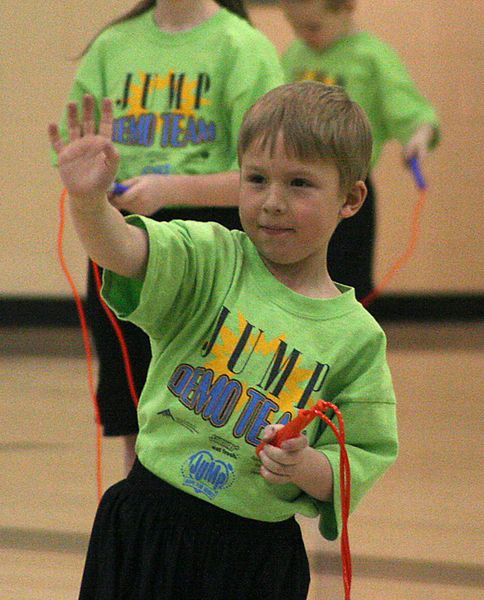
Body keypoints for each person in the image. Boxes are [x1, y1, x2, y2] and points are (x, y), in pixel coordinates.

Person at [48, 81, 398, 600]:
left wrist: (307, 467)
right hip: (148, 522)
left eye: (299, 183)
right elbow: (121, 249)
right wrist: (88, 202)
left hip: (253, 557)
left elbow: (360, 458)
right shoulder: (209, 256)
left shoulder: (358, 338)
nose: (272, 202)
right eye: (256, 179)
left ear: (350, 198)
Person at [53, 0, 284, 472]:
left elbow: (266, 176)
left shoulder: (243, 47)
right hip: (119, 230)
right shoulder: (113, 45)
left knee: (210, 405)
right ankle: (141, 520)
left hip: (210, 237)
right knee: (133, 397)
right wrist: (89, 182)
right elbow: (78, 155)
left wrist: (170, 188)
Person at [279, 0, 440, 301]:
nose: (304, 35)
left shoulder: (371, 55)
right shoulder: (295, 55)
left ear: (346, 8)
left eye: (312, 27)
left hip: (347, 192)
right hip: (295, 189)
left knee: (346, 279)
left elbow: (411, 110)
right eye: (295, 27)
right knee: (293, 278)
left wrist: (418, 137)